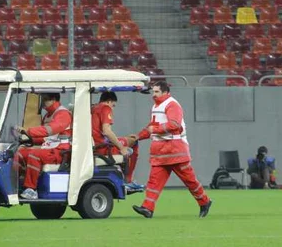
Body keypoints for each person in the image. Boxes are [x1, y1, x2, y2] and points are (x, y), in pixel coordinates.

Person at [132, 81, 212, 218]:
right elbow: (153, 126)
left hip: (175, 150)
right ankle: (147, 208)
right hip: (161, 151)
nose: (153, 94)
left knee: (190, 180)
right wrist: (138, 136)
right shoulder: (157, 106)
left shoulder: (172, 104)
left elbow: (174, 125)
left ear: (165, 92)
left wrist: (154, 130)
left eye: (157, 92)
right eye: (153, 91)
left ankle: (205, 202)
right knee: (154, 181)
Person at [16, 93, 72, 200]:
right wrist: (26, 138)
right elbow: (44, 138)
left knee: (34, 155)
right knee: (20, 153)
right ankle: (18, 184)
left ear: (54, 99)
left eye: (45, 99)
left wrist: (28, 131)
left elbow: (50, 130)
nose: (43, 103)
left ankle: (31, 189)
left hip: (60, 151)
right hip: (49, 149)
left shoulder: (63, 114)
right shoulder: (47, 115)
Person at [91, 91, 142, 191]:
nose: (112, 108)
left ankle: (126, 178)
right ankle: (128, 180)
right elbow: (107, 131)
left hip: (96, 143)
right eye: (113, 105)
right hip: (102, 146)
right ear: (109, 101)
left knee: (129, 139)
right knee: (134, 142)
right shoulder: (105, 108)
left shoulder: (93, 108)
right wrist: (121, 148)